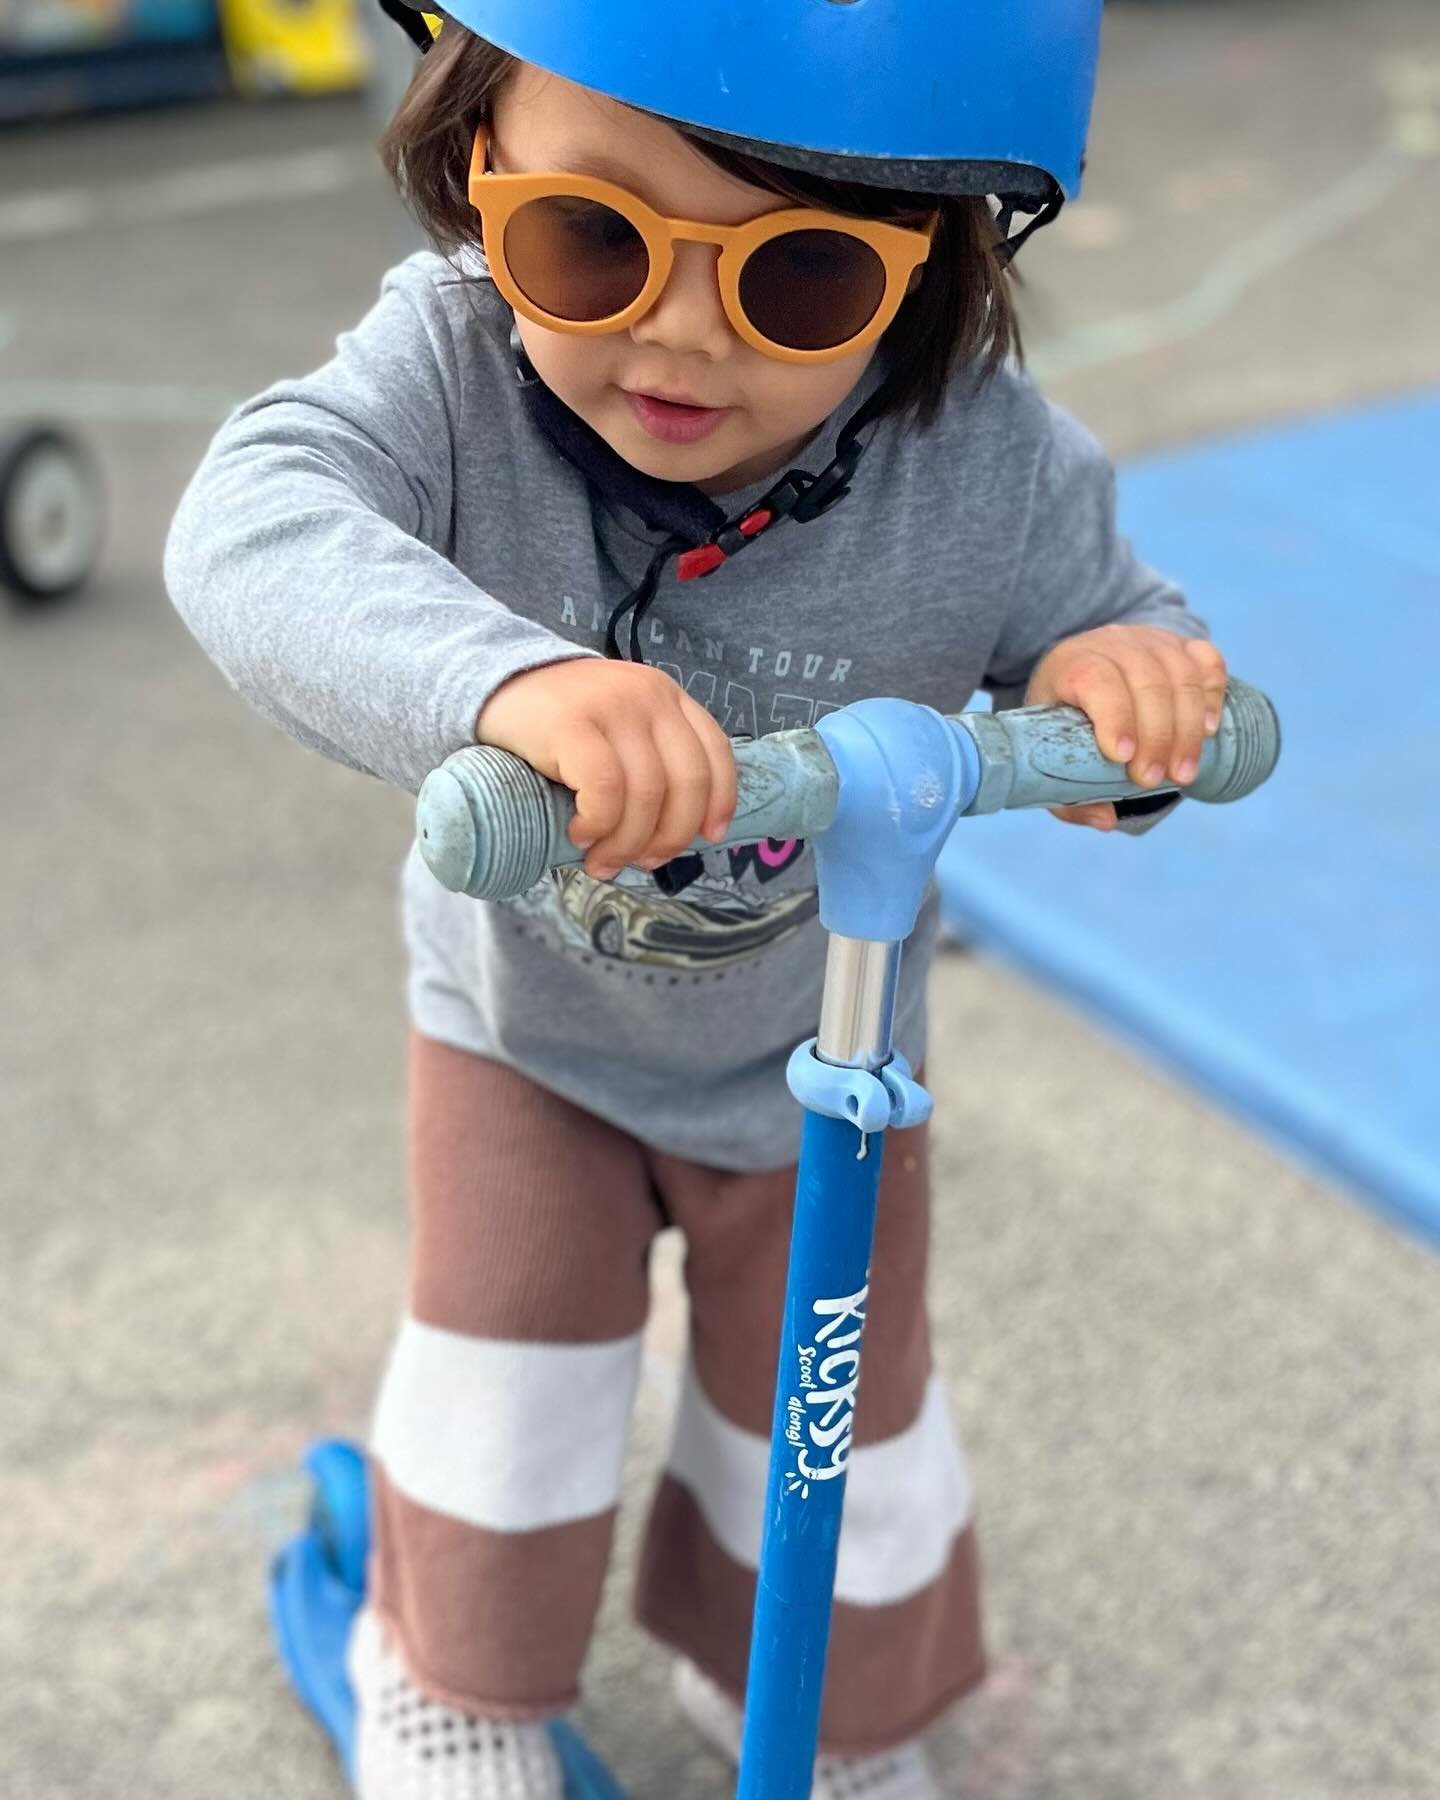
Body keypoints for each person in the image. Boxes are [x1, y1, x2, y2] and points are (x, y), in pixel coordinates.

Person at [166, 5, 1229, 1795]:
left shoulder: (978, 451)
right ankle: (448, 1675)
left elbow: (1126, 630)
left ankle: (823, 1701)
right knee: (509, 1388)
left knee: (836, 1425)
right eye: (589, 240)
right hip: (533, 1041)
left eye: (801, 281)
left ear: (938, 258)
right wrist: (500, 682)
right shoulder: (453, 371)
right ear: (474, 163)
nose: (674, 334)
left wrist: (1128, 684)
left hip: (824, 1052)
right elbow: (250, 525)